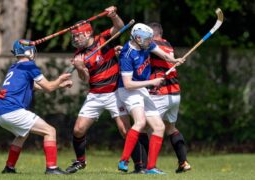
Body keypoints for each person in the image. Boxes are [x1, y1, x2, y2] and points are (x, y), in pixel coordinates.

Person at [66, 6, 148, 174]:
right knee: (78, 129)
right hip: (95, 95)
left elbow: (119, 27)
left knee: (125, 130)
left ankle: (140, 166)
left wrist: (114, 15)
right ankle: (80, 161)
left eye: (77, 36)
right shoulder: (78, 56)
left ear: (87, 33)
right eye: (73, 36)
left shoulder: (103, 39)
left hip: (115, 93)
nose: (75, 39)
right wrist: (81, 68)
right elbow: (85, 79)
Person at [0, 39, 72, 175]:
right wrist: (59, 80)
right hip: (13, 110)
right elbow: (48, 87)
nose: (33, 52)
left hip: (0, 113)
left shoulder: (15, 67)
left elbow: (33, 86)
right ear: (27, 51)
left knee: (22, 135)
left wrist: (58, 85)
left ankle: (9, 168)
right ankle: (52, 168)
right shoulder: (29, 65)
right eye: (31, 49)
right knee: (50, 131)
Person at [117, 23, 184, 174]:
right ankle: (124, 160)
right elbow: (128, 84)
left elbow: (164, 55)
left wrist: (174, 61)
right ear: (138, 38)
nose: (150, 42)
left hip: (141, 88)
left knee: (159, 127)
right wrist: (152, 82)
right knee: (140, 122)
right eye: (148, 39)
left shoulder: (146, 44)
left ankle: (151, 167)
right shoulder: (127, 55)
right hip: (128, 90)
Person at [148, 22, 191, 173]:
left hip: (160, 92)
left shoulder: (151, 44)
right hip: (175, 92)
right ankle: (183, 162)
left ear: (151, 34)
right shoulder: (167, 43)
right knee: (170, 128)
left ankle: (144, 166)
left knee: (141, 126)